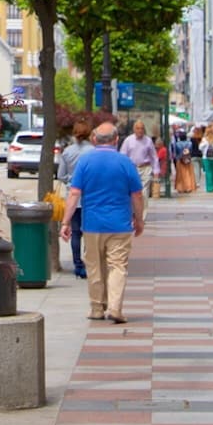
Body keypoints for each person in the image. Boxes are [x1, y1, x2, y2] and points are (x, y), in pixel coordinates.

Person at [60, 122, 146, 323]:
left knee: (94, 267)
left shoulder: (85, 162)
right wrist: (139, 219)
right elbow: (137, 194)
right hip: (120, 224)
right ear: (117, 140)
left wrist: (65, 222)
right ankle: (115, 307)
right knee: (117, 266)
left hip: (92, 224)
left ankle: (97, 308)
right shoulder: (125, 163)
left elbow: (74, 193)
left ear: (94, 139)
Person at [58, 121, 95, 279]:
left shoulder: (67, 152)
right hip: (90, 196)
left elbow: (60, 175)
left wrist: (70, 180)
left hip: (73, 196)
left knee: (75, 232)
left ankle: (77, 264)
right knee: (89, 232)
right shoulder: (93, 152)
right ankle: (89, 263)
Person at [121, 121, 156, 201]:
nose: (140, 130)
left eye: (142, 128)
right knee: (133, 193)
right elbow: (123, 156)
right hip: (132, 169)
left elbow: (153, 156)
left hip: (145, 169)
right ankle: (134, 212)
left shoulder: (148, 140)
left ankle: (143, 213)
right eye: (138, 128)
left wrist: (156, 170)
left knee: (144, 193)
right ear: (134, 129)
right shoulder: (128, 140)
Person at [172, 128, 198, 193]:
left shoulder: (177, 143)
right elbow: (191, 151)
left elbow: (175, 152)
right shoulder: (190, 143)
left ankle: (180, 187)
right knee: (188, 174)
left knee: (180, 175)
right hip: (188, 159)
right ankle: (189, 187)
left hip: (180, 160)